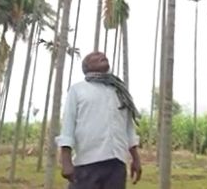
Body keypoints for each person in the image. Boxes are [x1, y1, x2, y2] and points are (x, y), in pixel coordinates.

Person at [56, 51, 142, 188]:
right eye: (94, 56)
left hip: (116, 164)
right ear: (86, 67)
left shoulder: (119, 91)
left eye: (103, 55)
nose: (102, 55)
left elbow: (128, 128)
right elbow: (68, 126)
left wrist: (136, 159)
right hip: (87, 163)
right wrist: (66, 161)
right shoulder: (78, 90)